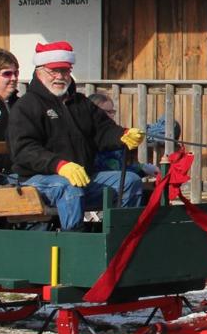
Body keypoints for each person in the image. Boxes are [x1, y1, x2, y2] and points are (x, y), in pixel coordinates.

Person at [8, 41, 145, 230]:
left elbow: (103, 130)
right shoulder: (26, 105)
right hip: (37, 180)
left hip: (83, 177)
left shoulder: (80, 103)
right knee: (68, 187)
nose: (60, 77)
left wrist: (123, 135)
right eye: (53, 71)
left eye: (65, 71)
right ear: (39, 71)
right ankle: (74, 240)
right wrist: (59, 165)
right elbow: (24, 150)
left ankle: (122, 237)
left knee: (130, 182)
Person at [87, 92, 157, 177]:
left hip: (118, 178)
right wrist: (140, 170)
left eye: (113, 111)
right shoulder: (87, 135)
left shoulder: (115, 132)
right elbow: (109, 168)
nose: (112, 115)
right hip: (94, 178)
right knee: (132, 178)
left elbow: (120, 168)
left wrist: (142, 168)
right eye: (108, 112)